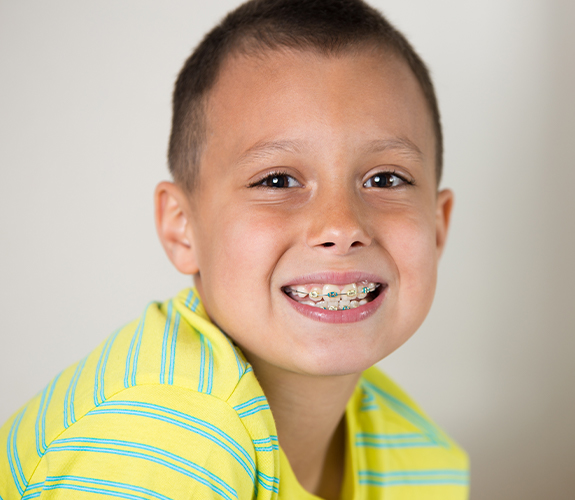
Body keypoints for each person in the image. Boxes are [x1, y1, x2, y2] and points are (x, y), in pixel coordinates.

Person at [0, 0, 469, 498]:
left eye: (385, 178)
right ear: (183, 230)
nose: (341, 226)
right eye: (278, 179)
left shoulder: (425, 458)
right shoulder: (163, 440)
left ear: (437, 229)